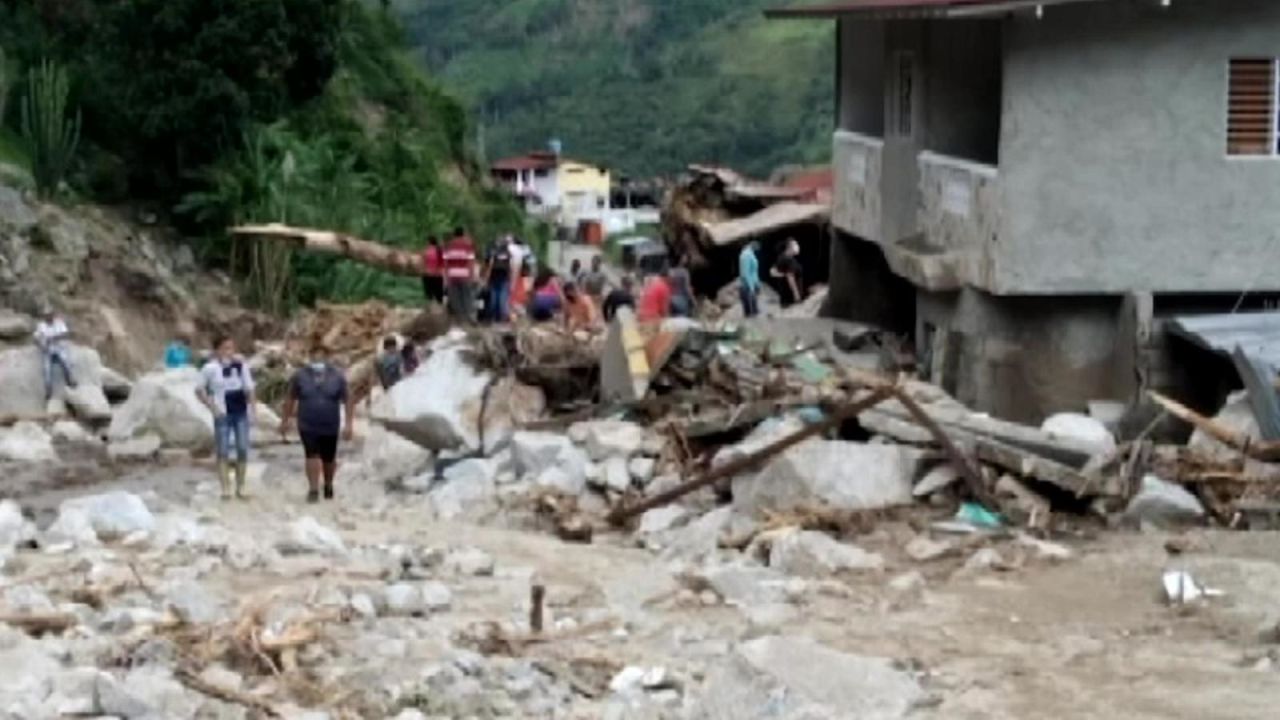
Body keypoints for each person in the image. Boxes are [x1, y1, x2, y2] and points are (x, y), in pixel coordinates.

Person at [280, 345, 354, 503]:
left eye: (321, 356)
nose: (317, 359)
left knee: (329, 458)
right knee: (311, 454)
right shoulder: (300, 376)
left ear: (327, 357)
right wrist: (285, 421)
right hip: (307, 423)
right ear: (310, 356)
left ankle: (328, 483)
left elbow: (348, 399)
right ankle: (313, 489)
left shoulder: (337, 376)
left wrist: (349, 424)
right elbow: (290, 398)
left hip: (330, 423)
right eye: (314, 356)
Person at [196, 336, 255, 500]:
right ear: (217, 350)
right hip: (222, 412)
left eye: (231, 348)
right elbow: (199, 389)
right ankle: (225, 487)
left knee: (242, 447)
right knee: (222, 450)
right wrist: (212, 407)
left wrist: (253, 409)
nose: (228, 352)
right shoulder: (210, 368)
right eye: (225, 348)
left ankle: (241, 486)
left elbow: (249, 388)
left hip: (241, 411)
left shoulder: (241, 366)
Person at [33, 309, 76, 401]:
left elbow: (65, 334)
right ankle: (48, 391)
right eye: (46, 315)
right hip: (47, 350)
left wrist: (53, 338)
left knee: (66, 363)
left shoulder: (59, 323)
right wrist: (41, 345)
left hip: (59, 348)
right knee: (47, 370)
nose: (48, 317)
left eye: (49, 315)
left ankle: (70, 381)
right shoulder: (41, 326)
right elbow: (36, 337)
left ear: (53, 315)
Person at [443, 227, 478, 322]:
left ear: (454, 234)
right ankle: (469, 317)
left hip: (452, 275)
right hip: (465, 275)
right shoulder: (468, 245)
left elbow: (445, 263)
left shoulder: (448, 245)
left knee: (455, 298)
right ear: (463, 234)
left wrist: (446, 278)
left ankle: (459, 319)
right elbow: (471, 262)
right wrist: (472, 276)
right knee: (467, 297)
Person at [484, 236, 514, 322]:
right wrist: (511, 280)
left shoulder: (493, 253)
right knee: (502, 298)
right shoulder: (508, 253)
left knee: (494, 297)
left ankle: (493, 317)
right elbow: (510, 268)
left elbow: (490, 266)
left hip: (494, 278)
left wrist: (486, 278)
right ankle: (500, 317)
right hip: (504, 278)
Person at [771, 238, 804, 306]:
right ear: (789, 247)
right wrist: (796, 295)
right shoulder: (790, 260)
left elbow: (772, 271)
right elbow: (790, 277)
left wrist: (782, 275)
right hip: (791, 298)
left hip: (784, 297)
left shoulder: (781, 257)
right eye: (795, 244)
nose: (797, 246)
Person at [738, 241, 761, 318]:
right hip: (747, 284)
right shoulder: (746, 255)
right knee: (750, 312)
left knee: (754, 309)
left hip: (752, 282)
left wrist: (757, 283)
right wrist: (751, 287)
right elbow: (745, 272)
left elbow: (753, 271)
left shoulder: (750, 254)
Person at [421, 236, 444, 305]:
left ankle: (431, 307)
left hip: (428, 274)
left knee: (429, 294)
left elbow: (423, 262)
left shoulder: (426, 251)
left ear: (429, 242)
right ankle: (440, 307)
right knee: (439, 293)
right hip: (438, 275)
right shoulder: (440, 250)